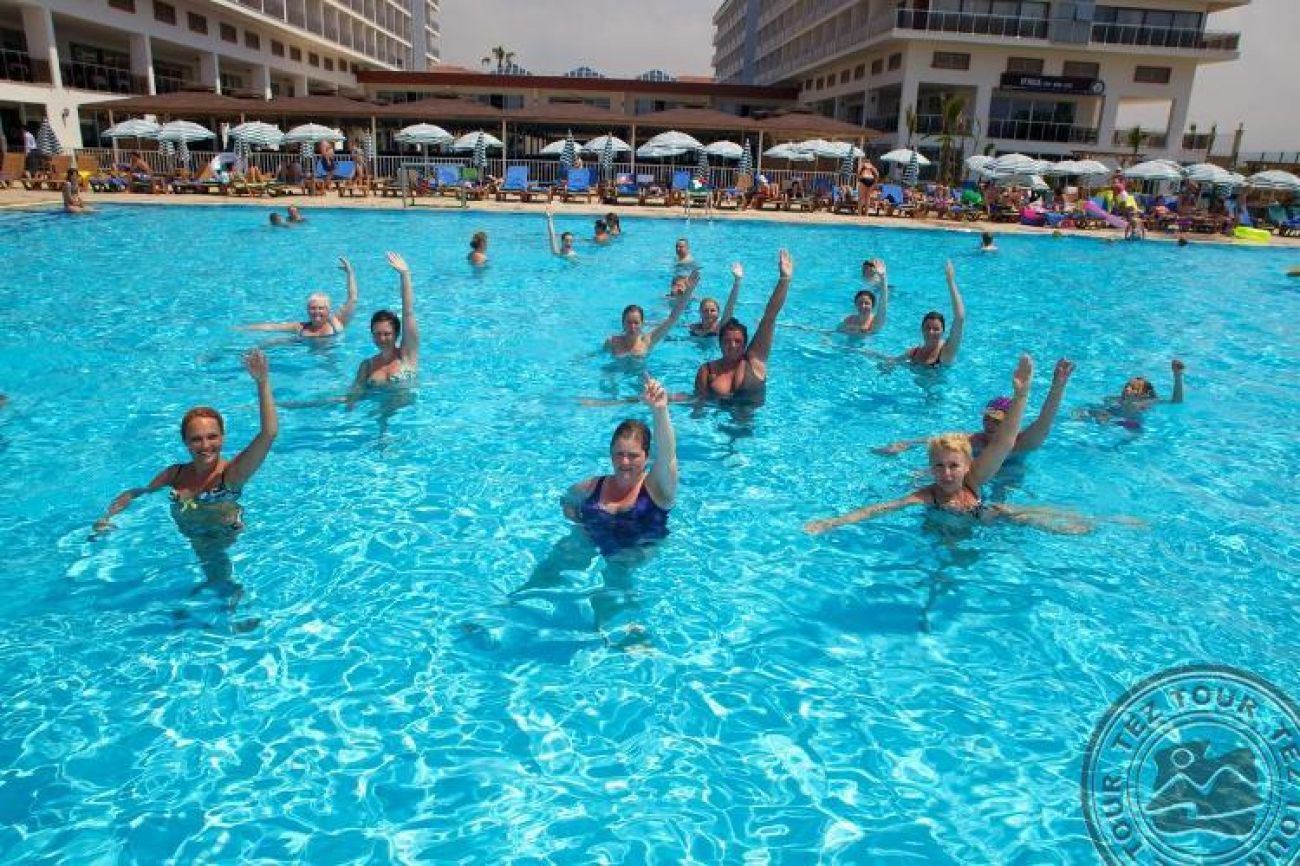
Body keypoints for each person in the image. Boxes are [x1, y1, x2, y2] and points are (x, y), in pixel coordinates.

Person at [807, 355, 1090, 534]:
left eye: (953, 466)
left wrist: (1023, 395)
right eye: (939, 467)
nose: (946, 473)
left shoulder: (977, 475)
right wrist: (831, 523)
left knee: (1013, 512)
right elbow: (879, 508)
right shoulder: (928, 494)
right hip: (952, 525)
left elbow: (1006, 442)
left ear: (966, 466)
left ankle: (1100, 522)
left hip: (984, 510)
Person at [93, 351, 279, 605]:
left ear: (223, 438)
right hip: (190, 533)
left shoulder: (231, 475)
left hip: (219, 533)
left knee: (219, 577)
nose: (206, 445)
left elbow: (268, 434)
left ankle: (235, 608)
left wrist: (262, 382)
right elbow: (137, 493)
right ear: (185, 442)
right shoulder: (175, 474)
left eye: (212, 437)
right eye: (196, 439)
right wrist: (107, 517)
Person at [561, 375, 677, 555]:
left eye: (633, 456)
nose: (624, 462)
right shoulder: (593, 486)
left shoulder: (657, 489)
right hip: (592, 547)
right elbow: (567, 499)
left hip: (632, 559)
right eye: (619, 454)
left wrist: (660, 410)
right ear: (611, 454)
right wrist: (580, 527)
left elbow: (667, 454)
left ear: (647, 457)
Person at [877, 358, 1076, 456]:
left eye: (996, 421)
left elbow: (1045, 420)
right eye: (987, 418)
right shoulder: (977, 439)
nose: (988, 424)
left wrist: (1058, 386)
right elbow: (940, 439)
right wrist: (906, 443)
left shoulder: (1022, 442)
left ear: (1010, 423)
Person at [694, 249, 792, 404]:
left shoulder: (755, 361)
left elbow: (769, 317)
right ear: (720, 343)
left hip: (756, 420)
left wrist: (784, 279)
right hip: (718, 419)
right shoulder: (707, 371)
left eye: (738, 341)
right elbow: (698, 404)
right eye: (727, 341)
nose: (733, 345)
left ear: (745, 344)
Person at [239, 257, 359, 338]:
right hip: (304, 349)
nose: (317, 312)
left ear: (328, 310)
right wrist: (244, 328)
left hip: (331, 359)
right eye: (313, 308)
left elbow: (352, 299)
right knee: (270, 343)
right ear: (307, 310)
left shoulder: (337, 322)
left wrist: (350, 273)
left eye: (321, 308)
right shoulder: (300, 327)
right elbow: (272, 327)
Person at [350, 252, 419, 391]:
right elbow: (354, 394)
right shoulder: (367, 366)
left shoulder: (406, 355)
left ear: (397, 334)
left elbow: (408, 313)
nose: (382, 338)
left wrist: (405, 274)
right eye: (377, 334)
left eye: (387, 334)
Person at [605, 271, 699, 358]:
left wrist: (689, 290)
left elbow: (672, 318)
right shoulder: (612, 342)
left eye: (636, 323)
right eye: (629, 322)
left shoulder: (647, 341)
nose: (632, 327)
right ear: (622, 323)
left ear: (642, 324)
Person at [900, 260, 965, 367]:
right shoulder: (913, 353)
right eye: (927, 328)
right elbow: (892, 361)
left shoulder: (946, 353)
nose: (931, 332)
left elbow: (960, 318)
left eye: (936, 329)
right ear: (922, 329)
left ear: (943, 331)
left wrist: (950, 281)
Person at [1085, 360, 1185, 426]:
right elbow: (1097, 408)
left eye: (1133, 388)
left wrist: (1178, 376)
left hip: (1129, 422)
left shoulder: (1149, 401)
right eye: (1127, 386)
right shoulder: (1114, 399)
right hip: (1114, 416)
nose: (1128, 389)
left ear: (1144, 395)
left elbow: (1177, 401)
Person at [688, 263, 743, 337]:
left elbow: (730, 307)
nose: (709, 313)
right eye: (706, 310)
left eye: (712, 310)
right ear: (700, 312)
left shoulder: (720, 327)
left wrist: (737, 281)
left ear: (718, 313)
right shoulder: (693, 328)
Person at [840, 258, 890, 335]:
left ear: (873, 306)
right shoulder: (848, 321)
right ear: (855, 305)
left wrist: (883, 277)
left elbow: (883, 303)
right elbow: (835, 333)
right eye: (860, 303)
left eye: (867, 303)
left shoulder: (875, 323)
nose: (863, 306)